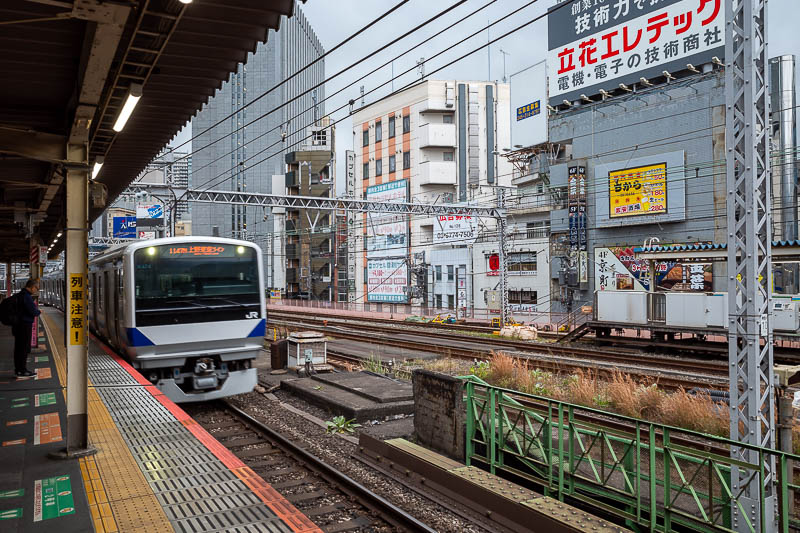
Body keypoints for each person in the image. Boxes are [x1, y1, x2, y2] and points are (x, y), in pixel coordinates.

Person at [13, 278, 41, 378]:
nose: (36, 290)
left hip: (18, 325)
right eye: (36, 288)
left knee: (19, 348)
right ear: (32, 287)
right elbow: (33, 311)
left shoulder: (20, 295)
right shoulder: (26, 297)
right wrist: (38, 312)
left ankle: (19, 369)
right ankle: (22, 370)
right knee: (23, 348)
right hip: (24, 326)